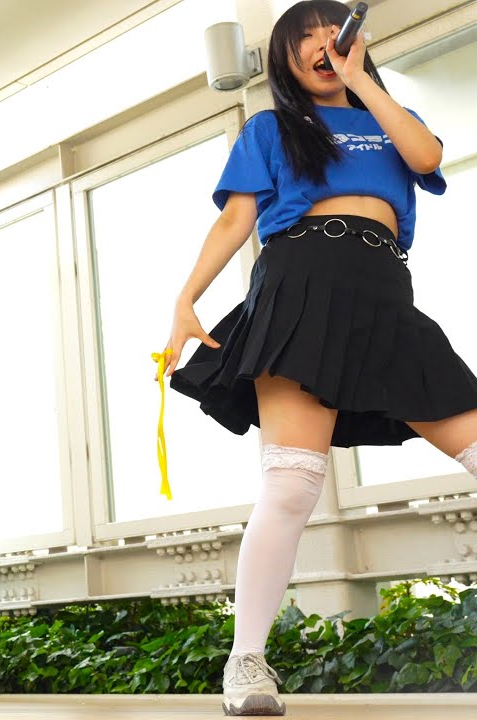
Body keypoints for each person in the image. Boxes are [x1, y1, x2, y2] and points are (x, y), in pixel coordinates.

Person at [163, 1, 477, 715]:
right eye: (302, 37)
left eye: (332, 33)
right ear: (283, 58)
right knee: (293, 484)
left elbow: (427, 159)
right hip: (301, 280)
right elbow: (235, 217)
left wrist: (365, 81)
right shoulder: (272, 127)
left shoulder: (388, 119)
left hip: (385, 290)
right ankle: (246, 665)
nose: (320, 44)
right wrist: (186, 298)